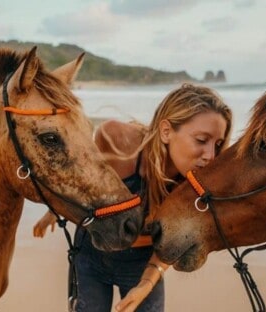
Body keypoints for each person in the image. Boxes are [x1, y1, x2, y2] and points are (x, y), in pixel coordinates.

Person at [33, 83, 233, 312]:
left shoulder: (197, 187)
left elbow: (169, 245)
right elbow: (84, 180)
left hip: (142, 266)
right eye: (201, 140)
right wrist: (55, 209)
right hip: (91, 256)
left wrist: (145, 285)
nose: (211, 156)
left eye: (217, 145)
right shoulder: (118, 139)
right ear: (166, 131)